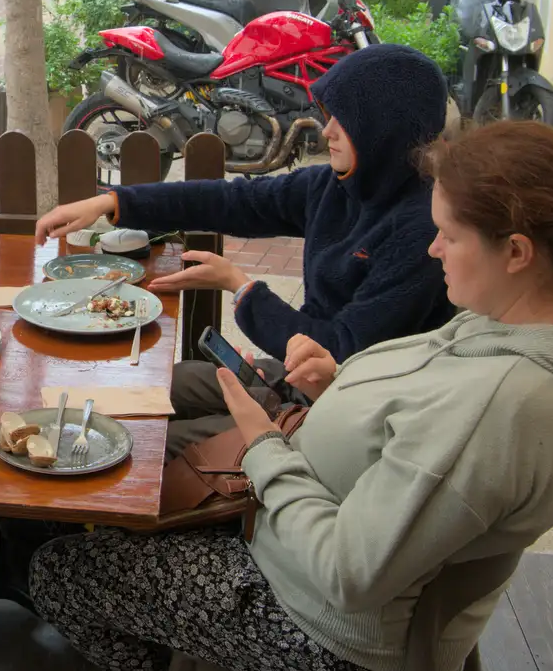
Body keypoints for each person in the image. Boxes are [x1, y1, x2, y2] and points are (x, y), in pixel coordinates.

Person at [30, 120, 553, 671]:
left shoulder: (505, 403)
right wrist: (341, 384)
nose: (432, 250)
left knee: (65, 569)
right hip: (311, 541)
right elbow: (417, 431)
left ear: (519, 251)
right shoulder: (516, 325)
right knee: (135, 495)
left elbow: (349, 574)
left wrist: (263, 449)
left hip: (329, 629)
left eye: (448, 235)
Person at [36, 43, 456, 458]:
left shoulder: (421, 232)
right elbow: (233, 201)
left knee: (142, 444)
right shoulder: (335, 185)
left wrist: (239, 288)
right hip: (292, 378)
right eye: (327, 115)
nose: (324, 130)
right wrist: (116, 204)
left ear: (382, 130)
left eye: (341, 121)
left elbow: (341, 350)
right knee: (132, 391)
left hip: (338, 414)